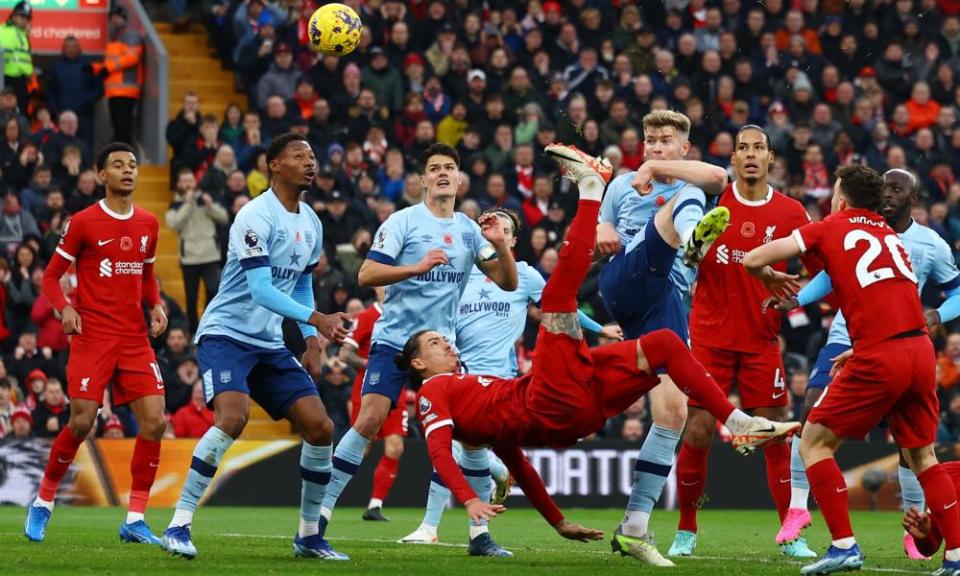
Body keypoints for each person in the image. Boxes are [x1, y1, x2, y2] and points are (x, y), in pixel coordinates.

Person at [399, 144, 798, 563]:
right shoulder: (434, 395)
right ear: (418, 364)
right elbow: (441, 453)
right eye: (433, 344)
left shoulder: (475, 400)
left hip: (574, 407)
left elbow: (523, 470)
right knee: (556, 296)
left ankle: (738, 423)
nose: (445, 342)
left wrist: (558, 522)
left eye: (439, 339)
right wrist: (467, 500)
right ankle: (590, 187)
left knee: (664, 343)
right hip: (547, 401)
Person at [743, 164, 960, 576]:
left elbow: (754, 257)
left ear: (840, 198)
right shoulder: (888, 233)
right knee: (923, 456)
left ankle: (843, 545)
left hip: (880, 353)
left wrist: (767, 275)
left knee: (814, 442)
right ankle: (956, 558)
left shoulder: (831, 226)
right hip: (917, 350)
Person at [315, 143, 519, 546]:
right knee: (369, 420)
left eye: (450, 168)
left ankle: (479, 535)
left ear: (459, 179)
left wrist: (502, 245)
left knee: (470, 434)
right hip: (394, 341)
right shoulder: (402, 222)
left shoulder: (467, 229)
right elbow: (367, 274)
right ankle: (318, 515)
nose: (443, 173)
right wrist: (416, 267)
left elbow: (508, 282)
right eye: (434, 168)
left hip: (441, 348)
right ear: (423, 180)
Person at [160, 133, 351, 561]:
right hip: (226, 333)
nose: (310, 163)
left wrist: (310, 340)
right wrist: (317, 319)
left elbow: (302, 280)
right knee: (233, 416)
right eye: (299, 156)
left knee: (321, 428)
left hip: (267, 342)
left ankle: (308, 536)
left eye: (312, 155)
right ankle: (179, 524)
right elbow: (262, 290)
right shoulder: (254, 216)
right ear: (274, 165)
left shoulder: (311, 222)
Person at [399, 208, 622, 552]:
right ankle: (460, 519)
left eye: (504, 228)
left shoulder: (525, 276)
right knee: (461, 450)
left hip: (502, 379)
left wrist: (600, 329)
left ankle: (448, 526)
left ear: (513, 239)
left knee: (465, 450)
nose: (494, 231)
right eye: (489, 225)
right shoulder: (464, 273)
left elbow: (559, 305)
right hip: (462, 374)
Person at [668, 125, 819, 559]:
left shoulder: (792, 213)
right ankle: (686, 530)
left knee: (774, 436)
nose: (750, 155)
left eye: (759, 148)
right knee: (696, 431)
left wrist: (799, 296)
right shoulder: (709, 204)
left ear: (771, 159)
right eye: (742, 148)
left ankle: (791, 535)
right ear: (731, 158)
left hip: (761, 339)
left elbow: (820, 264)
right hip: (711, 338)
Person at [594, 109, 730, 561]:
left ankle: (634, 526)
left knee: (673, 413)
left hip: (661, 303)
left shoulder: (686, 177)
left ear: (682, 147)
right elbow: (597, 232)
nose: (653, 147)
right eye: (649, 140)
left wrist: (656, 169)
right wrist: (602, 225)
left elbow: (718, 176)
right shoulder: (621, 185)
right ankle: (693, 241)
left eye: (664, 140)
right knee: (686, 202)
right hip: (627, 277)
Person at [24, 142, 169, 544]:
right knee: (83, 421)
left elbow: (147, 278)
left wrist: (155, 306)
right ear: (101, 175)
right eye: (118, 165)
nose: (128, 171)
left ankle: (136, 519)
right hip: (93, 337)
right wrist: (64, 308)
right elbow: (50, 277)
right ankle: (44, 502)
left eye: (133, 165)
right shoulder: (83, 222)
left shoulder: (148, 224)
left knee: (156, 421)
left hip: (134, 337)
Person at [338, 286, 410, 523]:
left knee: (395, 446)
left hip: (396, 390)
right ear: (377, 288)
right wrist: (371, 364)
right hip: (369, 388)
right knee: (362, 446)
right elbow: (345, 354)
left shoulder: (407, 314)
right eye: (385, 284)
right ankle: (325, 489)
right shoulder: (368, 316)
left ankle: (375, 506)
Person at [165, 168, 229, 333]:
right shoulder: (176, 203)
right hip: (189, 258)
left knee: (213, 290)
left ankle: (208, 322)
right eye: (184, 181)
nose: (188, 184)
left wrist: (209, 206)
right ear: (178, 184)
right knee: (191, 298)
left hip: (210, 255)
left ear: (195, 182)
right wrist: (187, 204)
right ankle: (193, 329)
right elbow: (173, 224)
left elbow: (223, 217)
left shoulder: (206, 198)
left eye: (190, 180)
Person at [91, 6, 143, 145]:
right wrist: (95, 68)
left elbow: (132, 58)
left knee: (123, 129)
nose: (114, 20)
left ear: (123, 18)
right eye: (112, 17)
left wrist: (107, 68)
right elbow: (111, 63)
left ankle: (126, 159)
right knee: (118, 128)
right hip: (115, 92)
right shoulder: (115, 38)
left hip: (126, 91)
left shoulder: (129, 34)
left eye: (117, 17)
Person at [0, 2, 33, 111]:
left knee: (20, 116)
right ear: (13, 16)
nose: (24, 20)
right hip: (7, 79)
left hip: (20, 81)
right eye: (21, 16)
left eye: (27, 18)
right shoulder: (6, 31)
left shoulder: (22, 34)